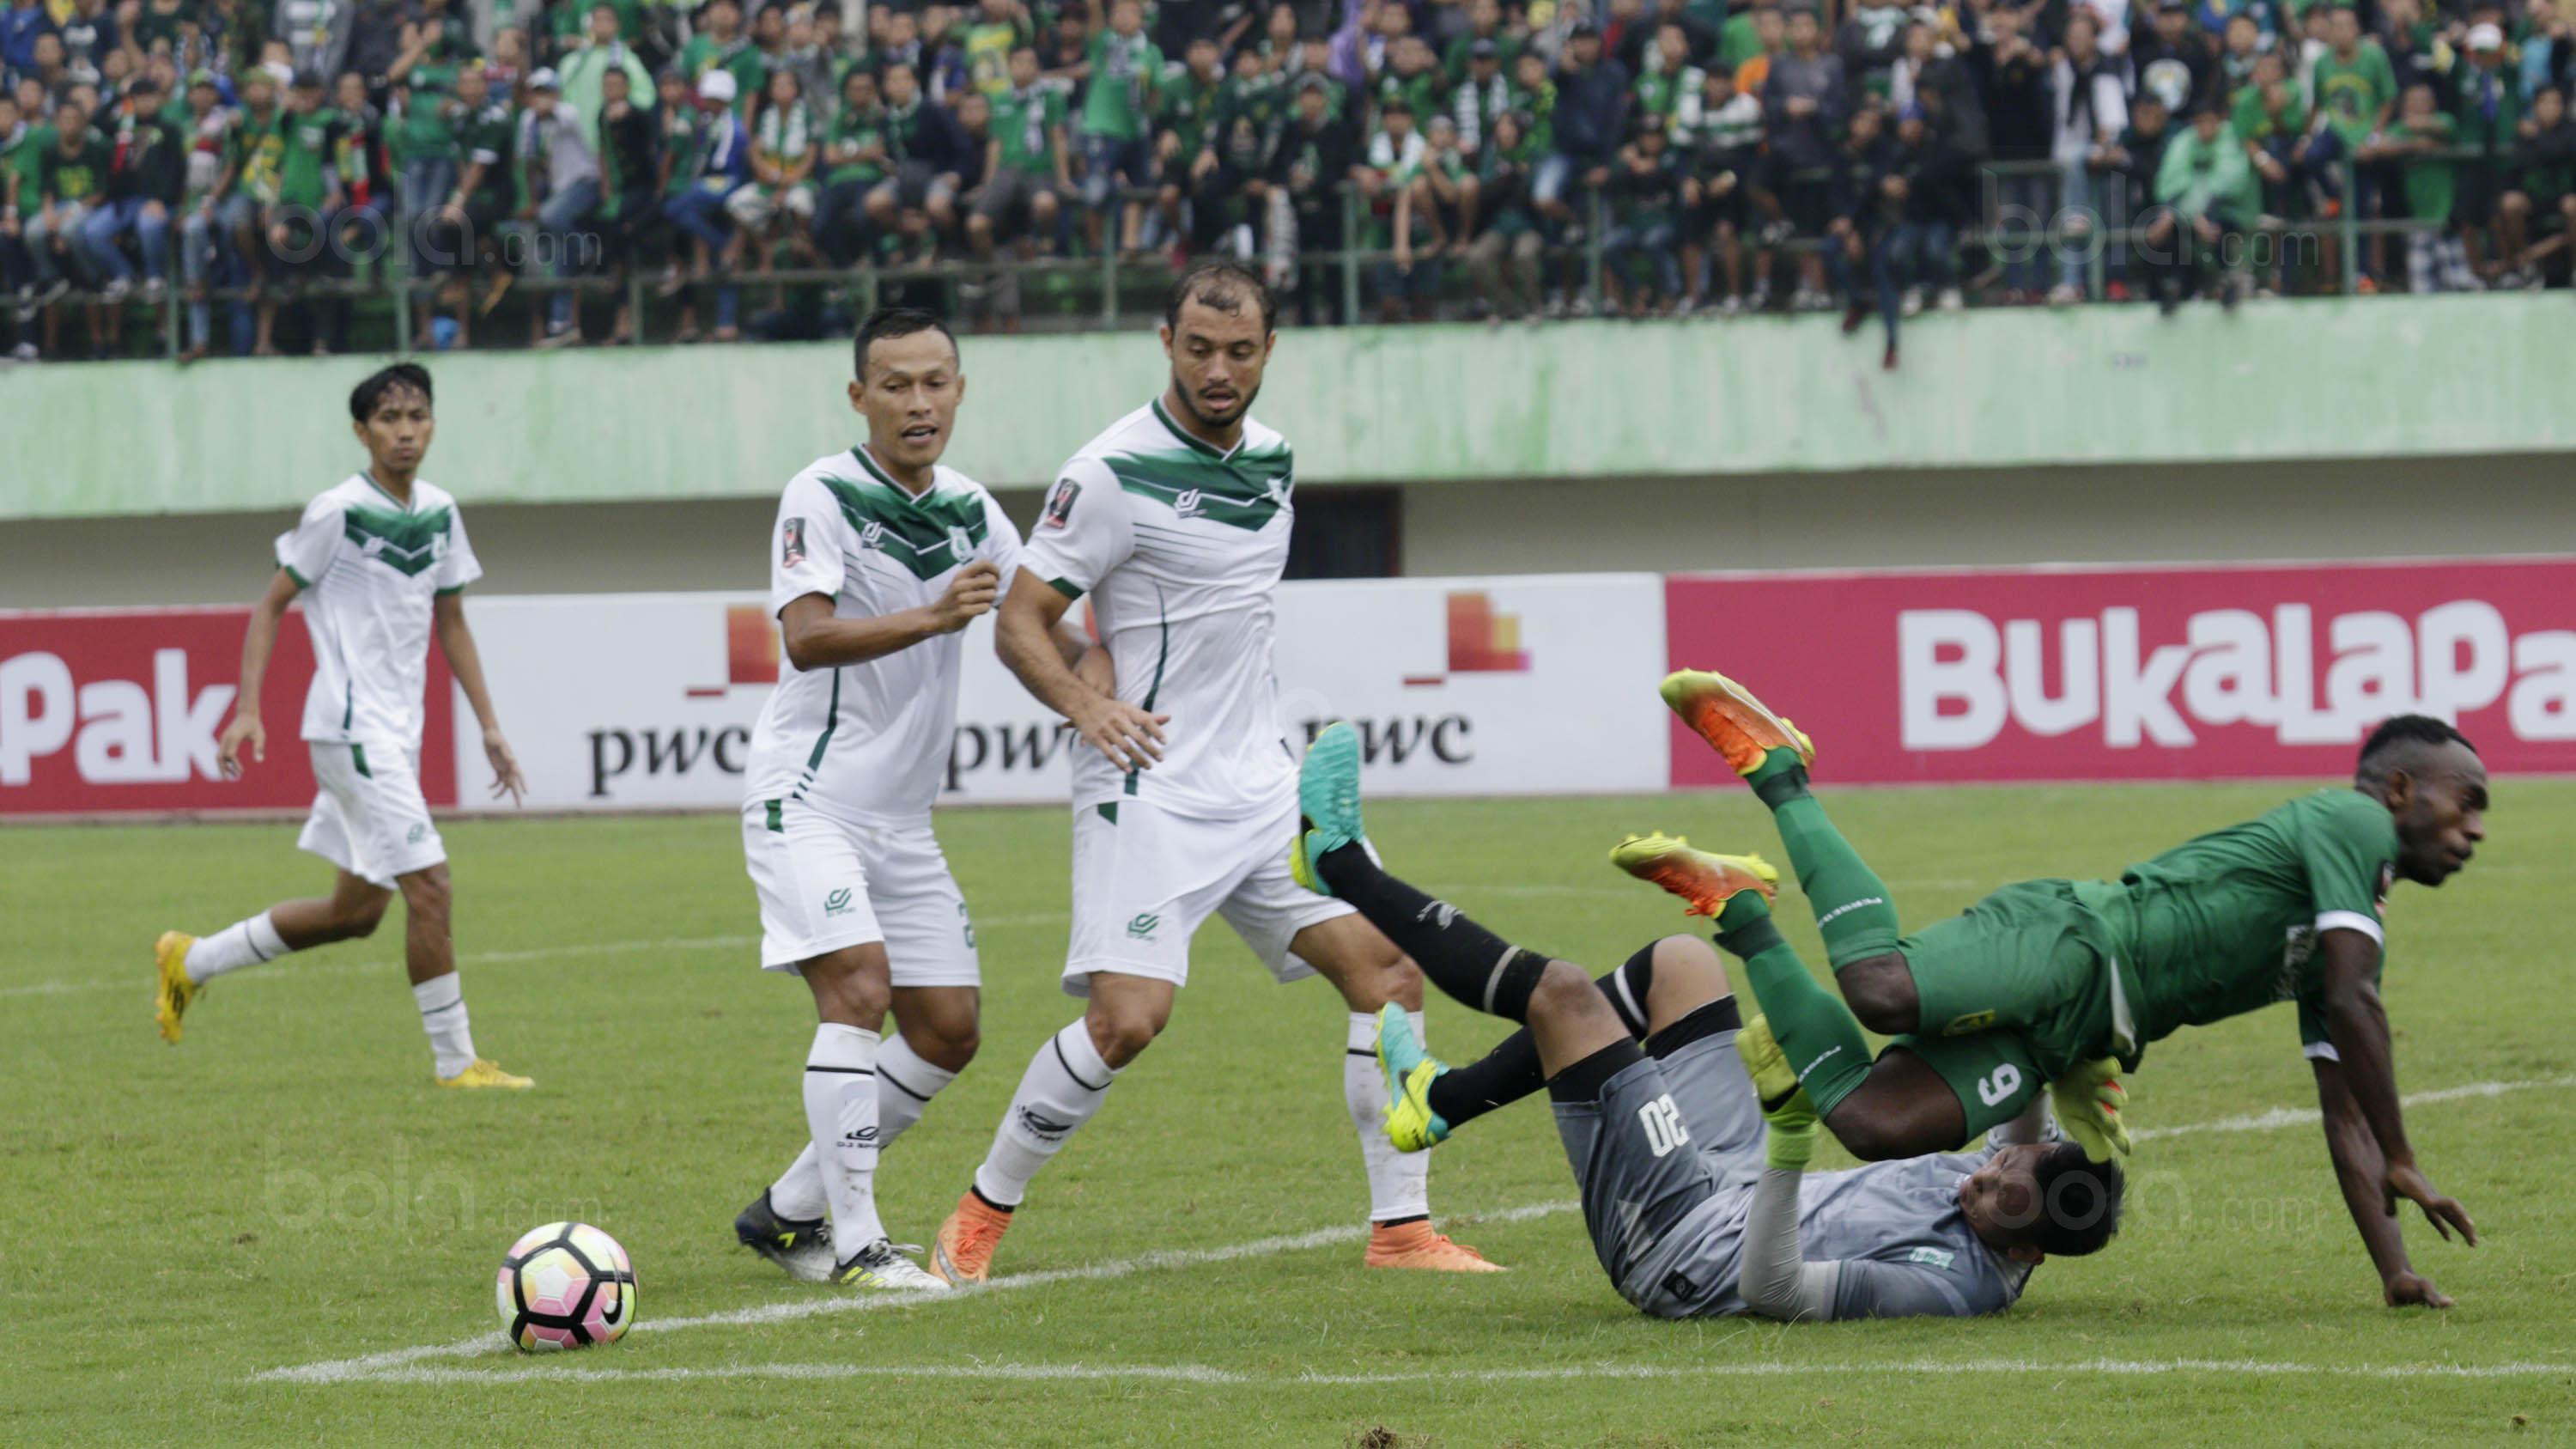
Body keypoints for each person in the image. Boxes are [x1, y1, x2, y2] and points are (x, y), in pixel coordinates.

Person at [927, 263, 1501, 1285]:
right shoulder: (1110, 470)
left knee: (1389, 972)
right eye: (1199, 348)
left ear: (1269, 350)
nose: (1219, 370)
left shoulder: (1275, 461)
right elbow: (1020, 622)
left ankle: (1403, 1230)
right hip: (1149, 784)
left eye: (1240, 351)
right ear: (1166, 343)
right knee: (1127, 1022)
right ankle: (978, 1214)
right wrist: (1089, 699)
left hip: (1262, 784)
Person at [1618, 668, 2484, 1307]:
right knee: (1882, 990)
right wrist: (2405, 1154)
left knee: (1871, 1122)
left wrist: (2394, 1267)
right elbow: (2359, 1000)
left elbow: (2343, 1108)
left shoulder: (2342, 931)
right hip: (2072, 943)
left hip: (2068, 1036)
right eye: (2467, 801)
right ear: (2402, 788)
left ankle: (1742, 910)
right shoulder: (2354, 821)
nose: (2475, 827)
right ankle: (1783, 773)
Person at [1289, 722, 2126, 1321]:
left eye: (1995, 1193)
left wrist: (1792, 1139)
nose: (1977, 1174)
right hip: (1729, 1172)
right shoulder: (2020, 1180)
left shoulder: (1955, 1284)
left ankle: (1343, 866)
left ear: (2026, 1253)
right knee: (1680, 964)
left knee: (1567, 996)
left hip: (1684, 1246)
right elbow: (2021, 1090)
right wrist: (2066, 1036)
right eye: (2004, 1159)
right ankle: (1442, 1101)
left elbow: (1777, 1293)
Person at [732, 309, 1104, 1293]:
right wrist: (935, 613)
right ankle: (854, 1245)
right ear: (859, 397)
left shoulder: (976, 508)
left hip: (900, 818)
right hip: (807, 796)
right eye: (895, 384)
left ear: (960, 388)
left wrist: (1104, 682)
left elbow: (1041, 625)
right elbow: (806, 637)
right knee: (856, 988)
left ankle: (789, 1210)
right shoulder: (822, 493)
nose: (919, 401)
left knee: (947, 1026)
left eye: (935, 381)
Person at [155, 363, 532, 1091]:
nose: (405, 431)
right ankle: (458, 1064)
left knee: (355, 911)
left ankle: (189, 959)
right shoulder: (339, 510)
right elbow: (271, 604)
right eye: (389, 419)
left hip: (395, 733)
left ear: (432, 425)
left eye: (417, 416)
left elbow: (451, 620)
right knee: (433, 887)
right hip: (352, 729)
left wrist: (488, 724)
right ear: (362, 432)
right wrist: (247, 708)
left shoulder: (443, 511)